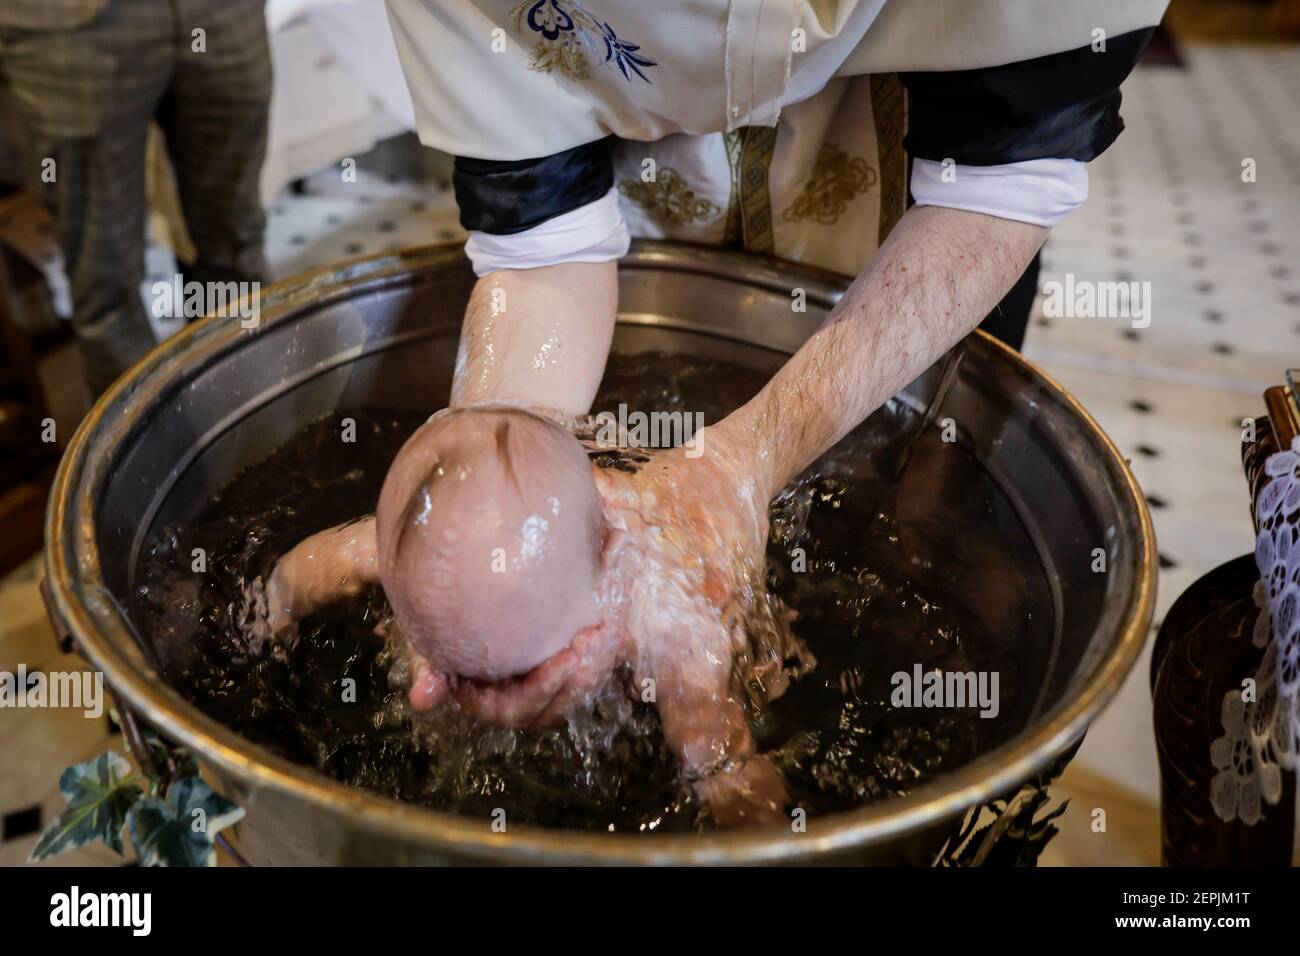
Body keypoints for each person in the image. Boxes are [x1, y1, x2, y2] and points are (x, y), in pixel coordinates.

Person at [0, 0, 270, 397]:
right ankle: (150, 453)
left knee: (236, 249)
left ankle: (252, 425)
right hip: (69, 22)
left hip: (220, 11)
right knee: (106, 288)